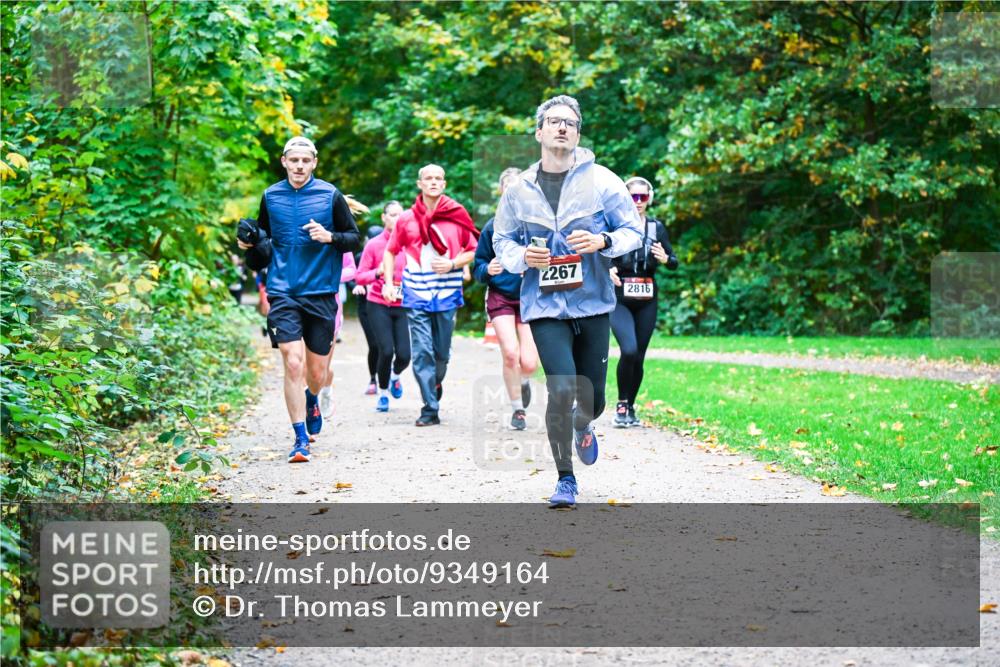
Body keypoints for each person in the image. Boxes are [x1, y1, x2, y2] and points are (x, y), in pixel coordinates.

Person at [493, 95, 643, 507]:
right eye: (554, 122)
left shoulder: (604, 181)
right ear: (539, 132)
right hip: (543, 305)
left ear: (577, 134)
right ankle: (565, 479)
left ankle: (583, 425)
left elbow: (632, 229)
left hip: (592, 302)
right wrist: (522, 257)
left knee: (593, 398)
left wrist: (604, 241)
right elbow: (501, 238)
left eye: (570, 123)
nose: (562, 127)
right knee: (560, 389)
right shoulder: (519, 189)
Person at [237, 136, 360, 463]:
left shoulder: (330, 195)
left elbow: (353, 239)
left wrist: (330, 236)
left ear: (314, 163)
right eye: (294, 161)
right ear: (284, 162)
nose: (300, 166)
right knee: (293, 362)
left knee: (316, 373)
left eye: (306, 161)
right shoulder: (271, 196)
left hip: (320, 292)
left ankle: (312, 397)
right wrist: (249, 245)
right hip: (283, 292)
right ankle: (300, 439)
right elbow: (262, 244)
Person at [382, 164, 478, 426]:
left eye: (438, 178)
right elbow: (390, 251)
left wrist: (452, 264)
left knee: (442, 354)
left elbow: (473, 250)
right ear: (420, 183)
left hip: (447, 292)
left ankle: (433, 383)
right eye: (428, 178)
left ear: (444, 184)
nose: (433, 182)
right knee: (422, 351)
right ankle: (429, 407)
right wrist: (389, 284)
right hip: (416, 293)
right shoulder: (406, 219)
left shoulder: (457, 214)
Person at [473, 167, 538, 430]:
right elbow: (477, 266)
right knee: (510, 354)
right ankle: (517, 410)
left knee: (530, 364)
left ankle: (522, 383)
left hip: (531, 298)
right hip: (501, 297)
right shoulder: (492, 227)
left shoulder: (537, 224)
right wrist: (487, 269)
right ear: (502, 192)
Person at [610, 176, 678, 428]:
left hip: (647, 297)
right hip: (620, 298)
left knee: (638, 355)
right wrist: (609, 269)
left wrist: (665, 258)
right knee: (628, 349)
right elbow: (601, 254)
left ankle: (630, 405)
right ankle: (620, 403)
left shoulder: (656, 228)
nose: (637, 202)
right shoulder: (616, 225)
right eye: (633, 197)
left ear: (649, 199)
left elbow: (673, 261)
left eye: (643, 197)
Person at [356, 202, 411, 412]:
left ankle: (396, 376)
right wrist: (377, 273)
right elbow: (360, 277)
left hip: (403, 303)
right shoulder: (374, 245)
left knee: (404, 355)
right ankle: (384, 392)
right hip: (378, 303)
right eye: (392, 215)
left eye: (400, 215)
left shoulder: (410, 243)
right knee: (386, 350)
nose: (396, 219)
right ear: (384, 218)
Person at [354, 225, 386, 396]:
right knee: (374, 345)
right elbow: (354, 276)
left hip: (385, 306)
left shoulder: (390, 256)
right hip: (366, 308)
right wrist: (357, 286)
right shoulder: (360, 256)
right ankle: (373, 379)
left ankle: (387, 376)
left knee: (387, 346)